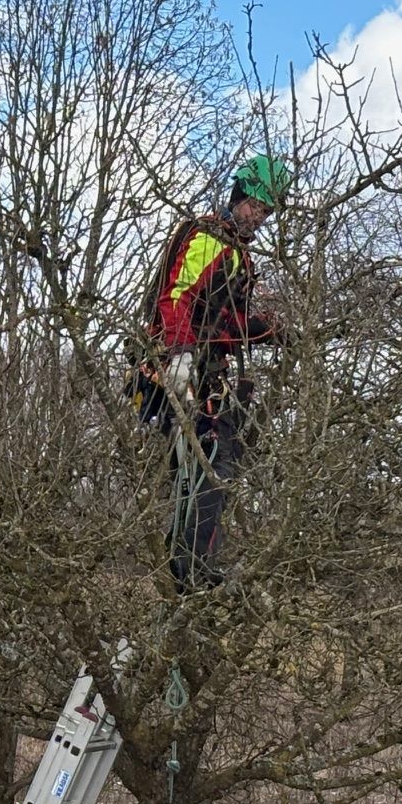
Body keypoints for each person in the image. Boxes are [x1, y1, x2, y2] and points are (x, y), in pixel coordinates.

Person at [139, 154, 289, 589]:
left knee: (224, 460)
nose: (257, 218)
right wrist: (180, 356)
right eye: (254, 207)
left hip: (207, 368)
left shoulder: (239, 255)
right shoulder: (208, 237)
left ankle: (194, 560)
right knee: (207, 464)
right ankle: (190, 571)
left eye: (265, 212)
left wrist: (271, 329)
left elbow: (227, 328)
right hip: (179, 367)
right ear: (239, 195)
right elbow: (176, 298)